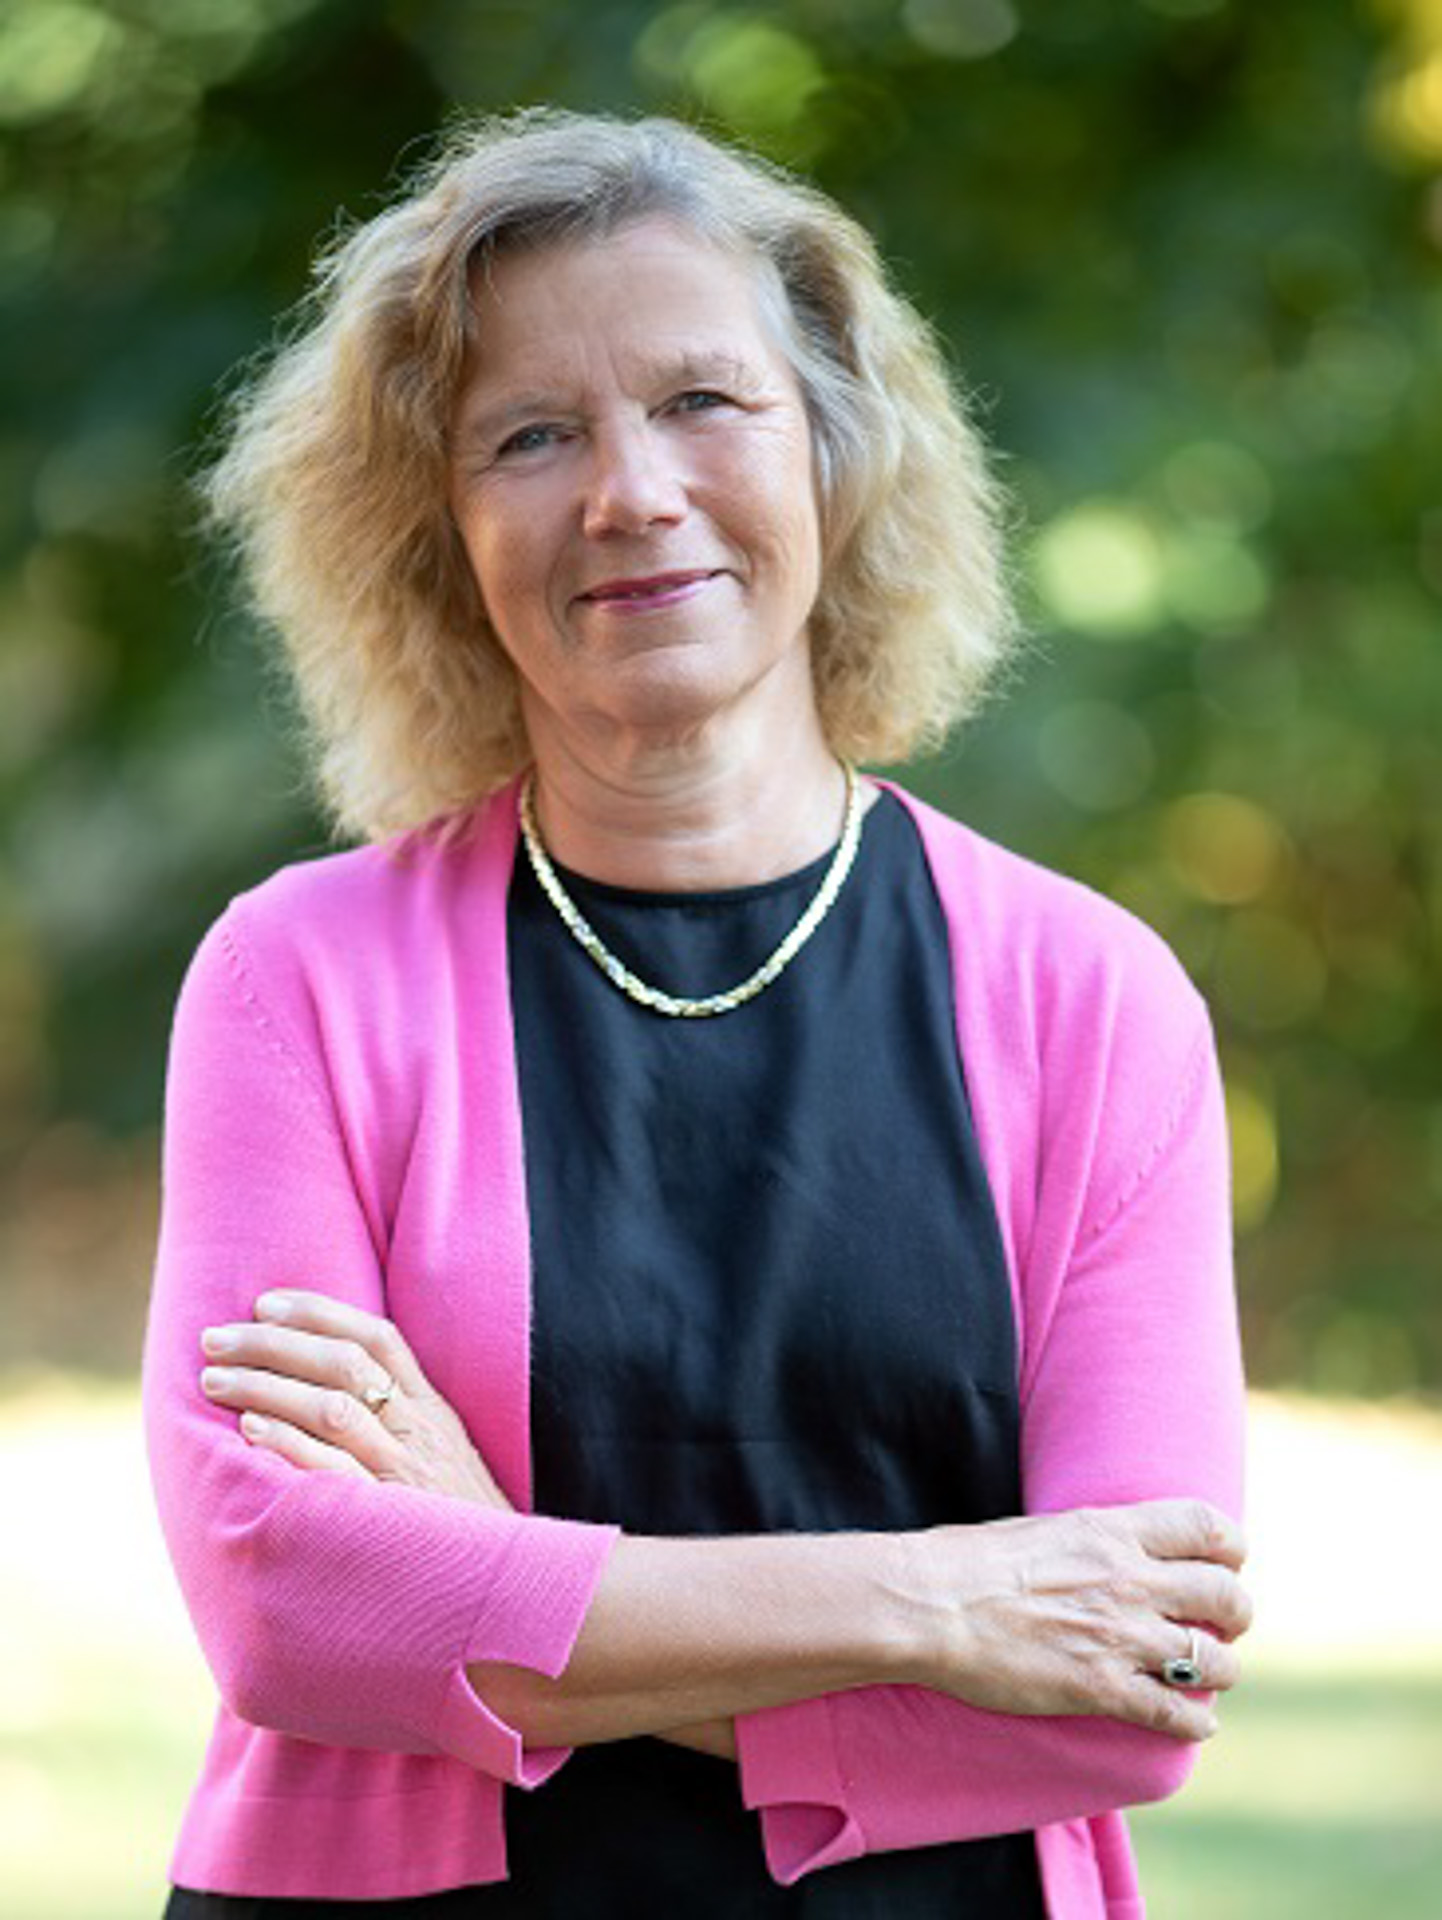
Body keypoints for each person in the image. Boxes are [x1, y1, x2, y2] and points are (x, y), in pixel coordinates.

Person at [144, 109, 1251, 1918]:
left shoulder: (1088, 996)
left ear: (833, 449)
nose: (630, 493)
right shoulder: (299, 978)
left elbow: (1140, 1679)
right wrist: (941, 1604)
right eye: (530, 435)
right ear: (435, 531)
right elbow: (291, 1606)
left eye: (701, 401)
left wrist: (489, 1577)